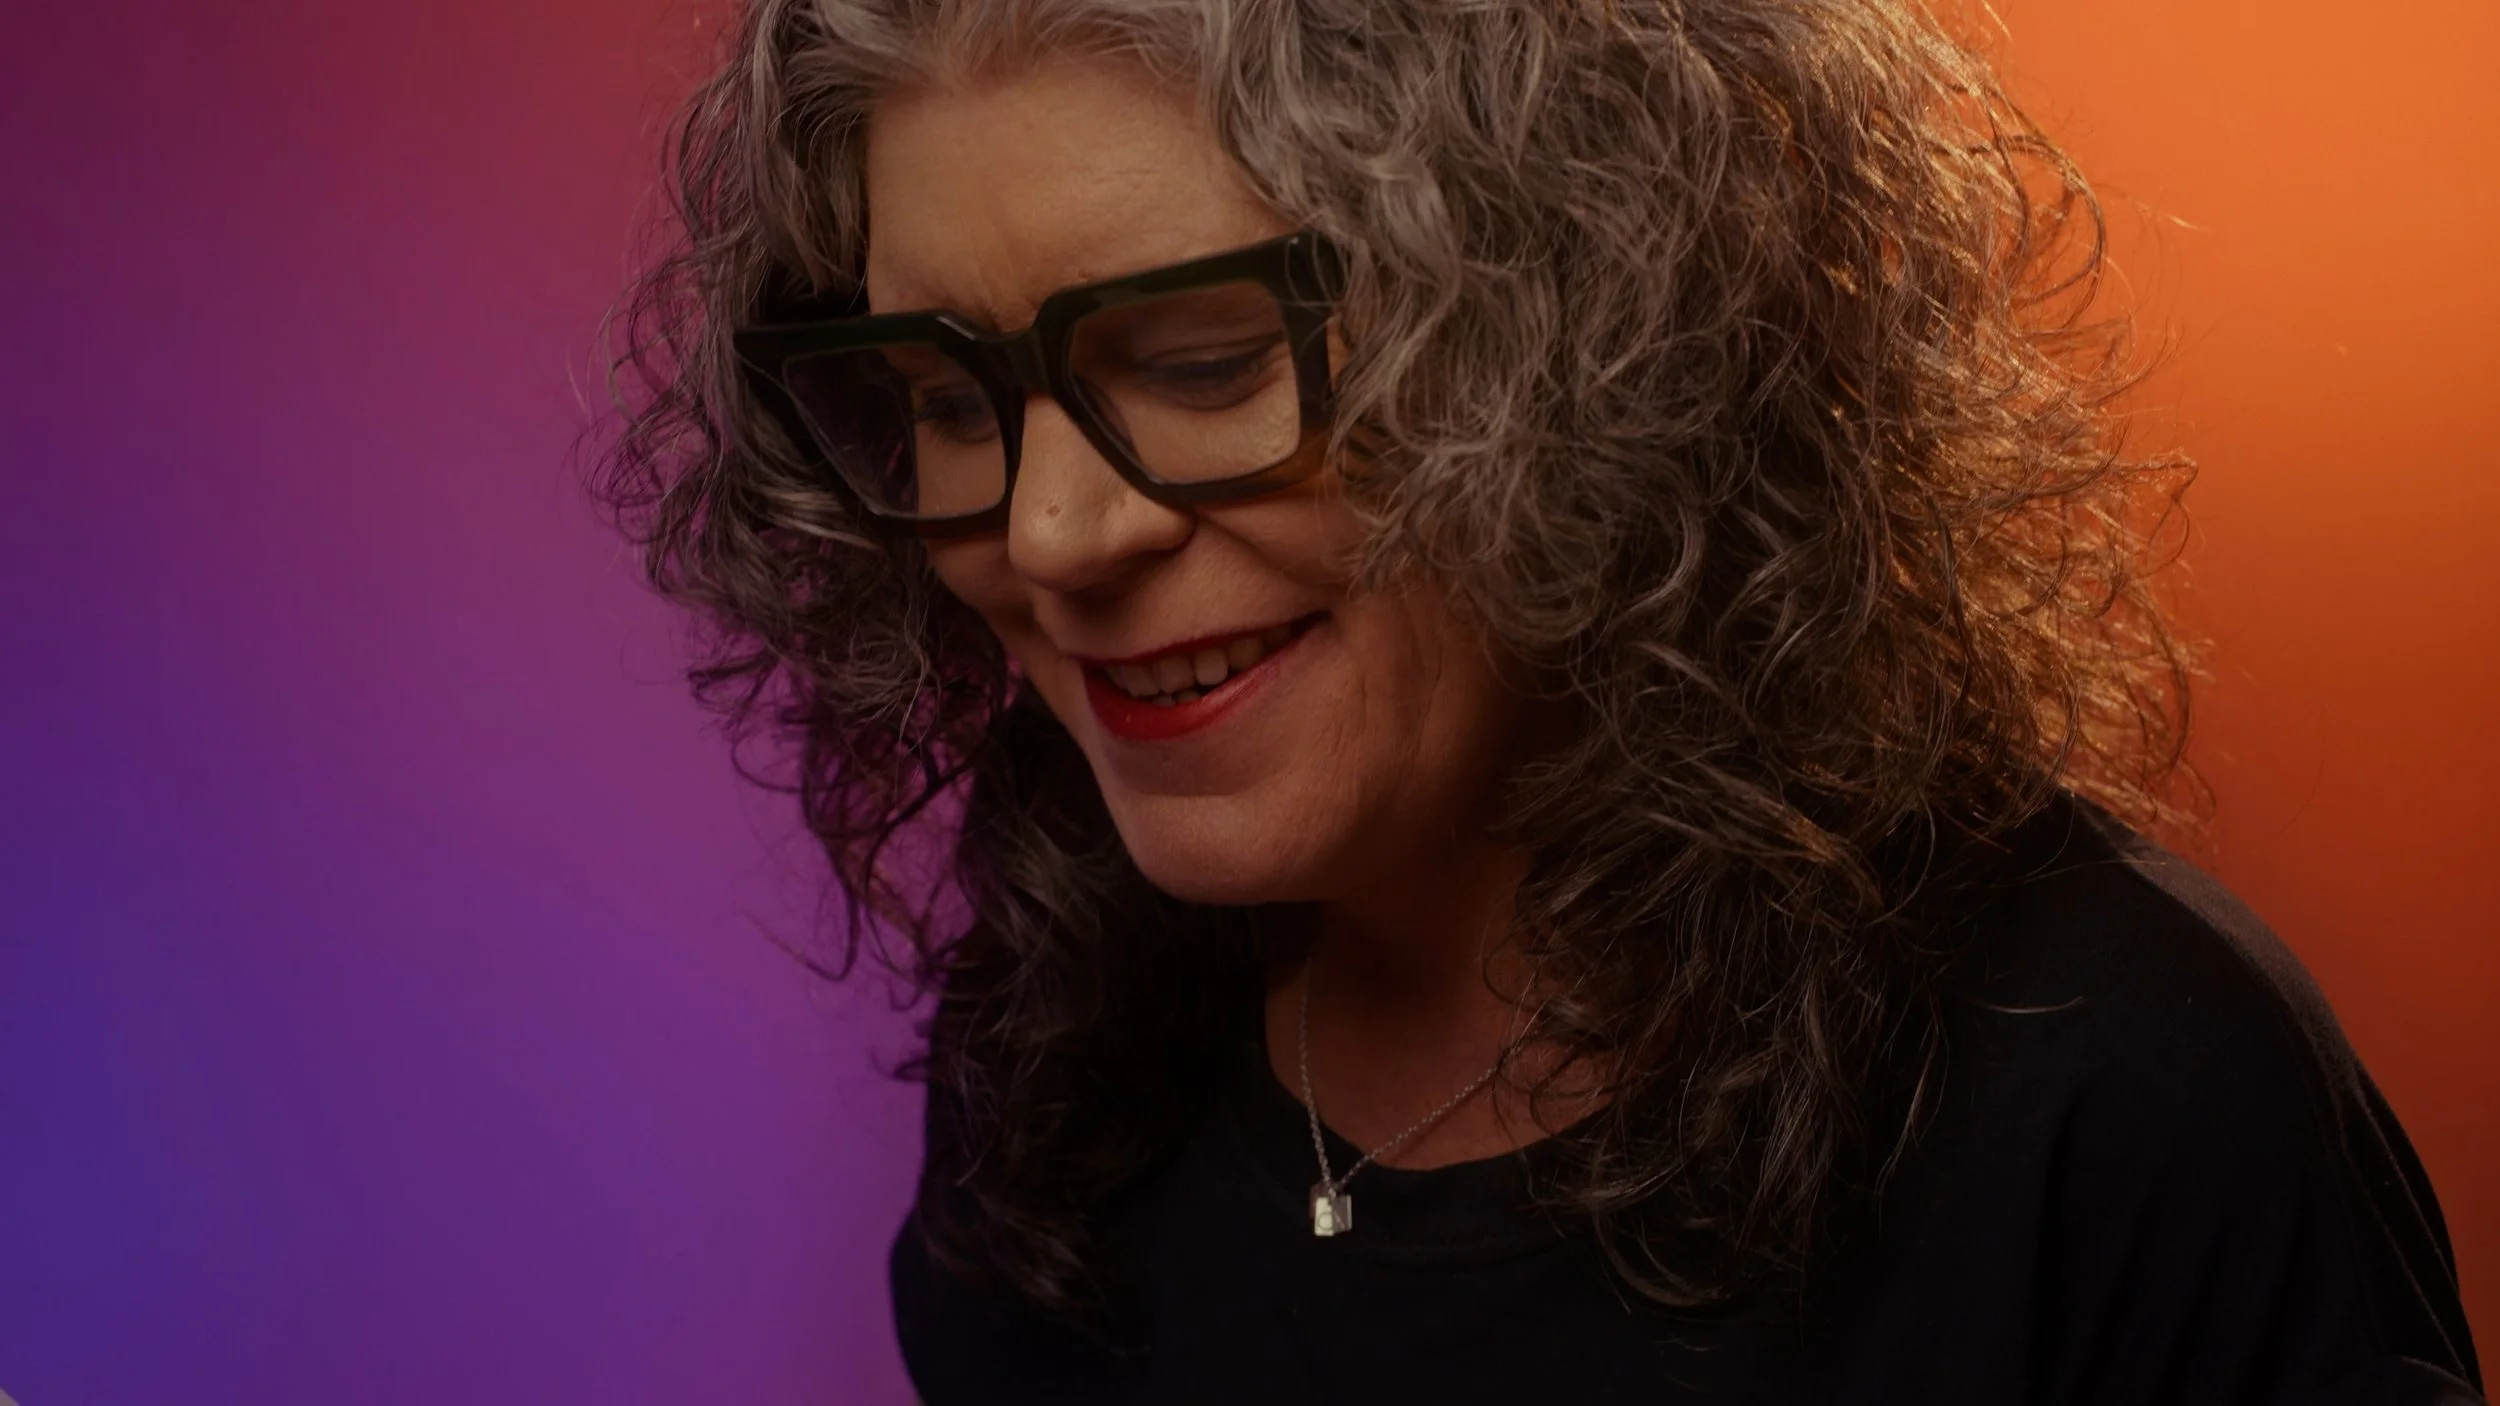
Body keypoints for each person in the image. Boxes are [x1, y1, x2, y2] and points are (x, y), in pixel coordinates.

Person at [594, 0, 2484, 1400]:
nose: (1054, 525)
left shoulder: (2115, 1088)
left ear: (1587, 337)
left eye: (1198, 358)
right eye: (945, 399)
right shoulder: (1057, 1082)